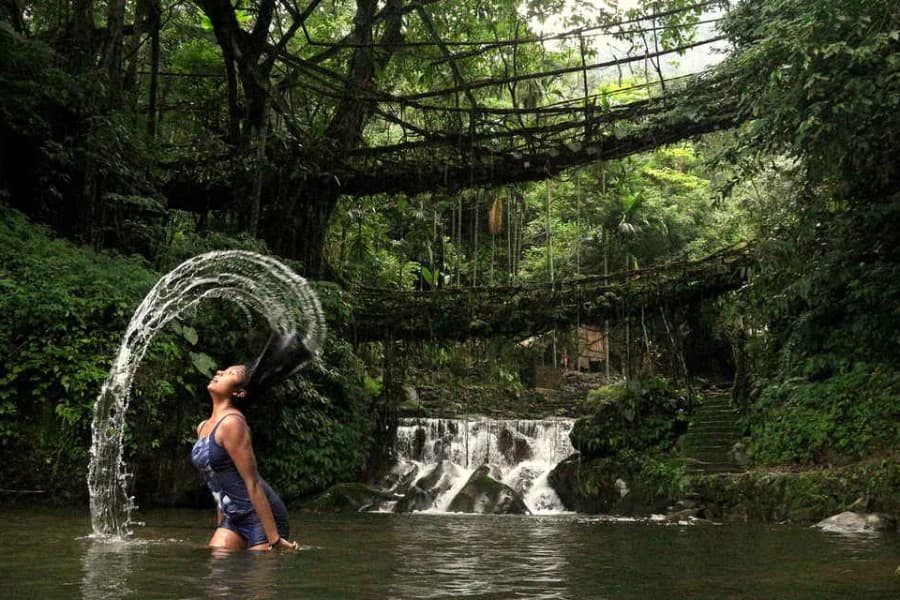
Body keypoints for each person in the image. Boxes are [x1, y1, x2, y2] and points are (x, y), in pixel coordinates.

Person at [191, 363, 299, 551]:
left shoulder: (232, 423)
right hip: (233, 516)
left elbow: (253, 481)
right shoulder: (203, 427)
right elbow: (216, 481)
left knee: (254, 578)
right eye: (223, 370)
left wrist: (274, 539)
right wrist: (221, 524)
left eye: (229, 373)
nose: (219, 372)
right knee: (218, 568)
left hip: (259, 517)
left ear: (238, 393)